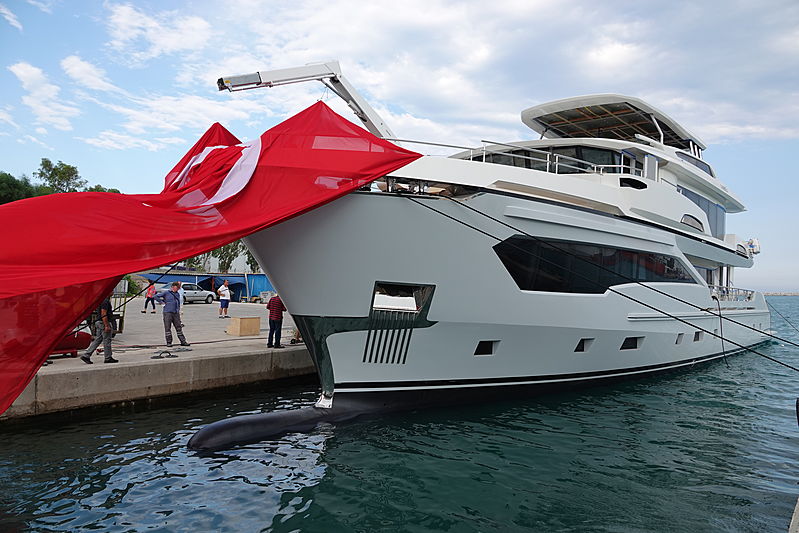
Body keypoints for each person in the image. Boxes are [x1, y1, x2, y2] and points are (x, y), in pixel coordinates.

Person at [81, 295, 119, 364]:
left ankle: (86, 355)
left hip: (99, 322)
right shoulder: (105, 301)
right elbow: (103, 313)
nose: (113, 292)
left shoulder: (101, 300)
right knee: (107, 340)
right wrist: (106, 325)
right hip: (103, 323)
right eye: (112, 290)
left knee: (98, 339)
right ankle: (108, 358)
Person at [155, 281, 190, 347]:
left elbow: (178, 303)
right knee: (167, 328)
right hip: (167, 312)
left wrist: (178, 310)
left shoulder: (177, 294)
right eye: (177, 288)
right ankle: (169, 342)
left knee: (178, 328)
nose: (177, 289)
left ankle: (183, 341)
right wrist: (162, 302)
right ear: (172, 287)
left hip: (175, 313)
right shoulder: (166, 293)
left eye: (178, 288)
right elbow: (156, 296)